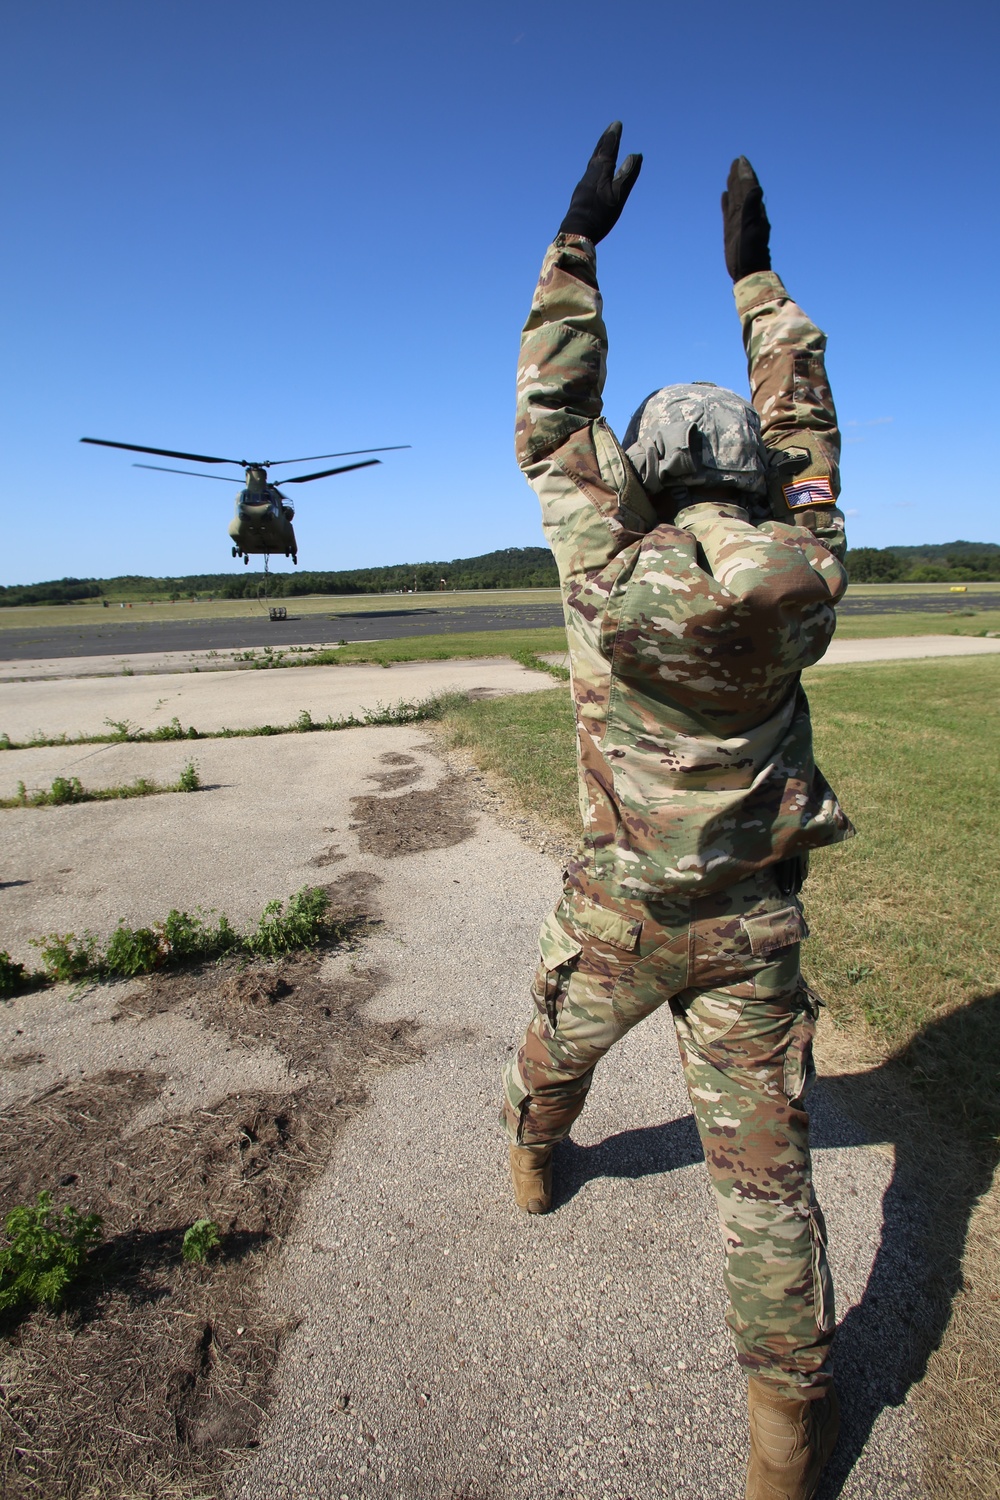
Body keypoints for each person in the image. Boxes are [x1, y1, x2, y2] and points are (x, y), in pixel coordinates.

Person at [503, 125, 852, 1500]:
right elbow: (808, 433)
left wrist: (576, 243)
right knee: (766, 1195)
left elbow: (547, 416)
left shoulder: (601, 551)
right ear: (762, 484)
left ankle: (536, 1164)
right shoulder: (807, 571)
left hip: (616, 916)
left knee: (550, 1055)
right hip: (750, 937)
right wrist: (759, 280)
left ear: (642, 471)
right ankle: (784, 1441)